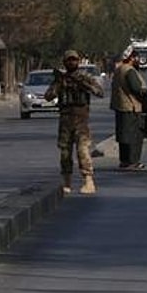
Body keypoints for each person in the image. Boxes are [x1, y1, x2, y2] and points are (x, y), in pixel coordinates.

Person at [45, 50, 104, 194]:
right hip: (65, 119)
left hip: (81, 120)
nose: (72, 62)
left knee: (82, 151)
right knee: (65, 153)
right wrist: (59, 84)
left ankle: (88, 181)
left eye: (74, 60)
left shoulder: (84, 77)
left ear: (78, 61)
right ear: (65, 62)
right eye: (69, 60)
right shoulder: (61, 79)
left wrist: (83, 84)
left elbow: (99, 92)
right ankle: (67, 182)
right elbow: (48, 96)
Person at [110, 47, 147, 170]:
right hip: (131, 107)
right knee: (134, 136)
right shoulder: (129, 71)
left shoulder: (119, 69)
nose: (138, 60)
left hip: (121, 106)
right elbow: (136, 88)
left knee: (123, 136)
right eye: (136, 57)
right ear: (131, 58)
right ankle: (133, 162)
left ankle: (124, 161)